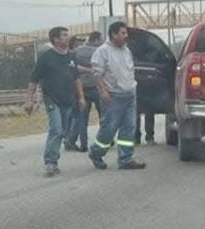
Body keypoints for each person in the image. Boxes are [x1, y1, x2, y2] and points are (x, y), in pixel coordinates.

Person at [24, 26, 86, 177]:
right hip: (51, 98)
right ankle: (50, 162)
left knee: (63, 132)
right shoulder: (46, 58)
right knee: (56, 129)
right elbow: (33, 80)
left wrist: (81, 97)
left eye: (67, 35)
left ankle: (54, 160)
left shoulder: (71, 57)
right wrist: (29, 100)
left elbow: (76, 79)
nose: (67, 37)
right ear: (56, 39)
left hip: (68, 99)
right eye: (64, 35)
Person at [88, 21, 146, 170]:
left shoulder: (127, 51)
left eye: (126, 33)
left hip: (130, 94)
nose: (126, 36)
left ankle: (125, 159)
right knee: (109, 129)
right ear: (114, 34)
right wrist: (103, 91)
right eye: (123, 33)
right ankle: (96, 152)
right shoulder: (102, 51)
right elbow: (97, 73)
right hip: (113, 96)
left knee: (129, 128)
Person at [65, 31, 103, 152]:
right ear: (96, 40)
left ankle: (83, 143)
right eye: (101, 39)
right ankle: (104, 140)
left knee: (82, 118)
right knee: (103, 115)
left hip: (81, 88)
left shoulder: (77, 51)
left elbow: (72, 67)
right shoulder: (99, 52)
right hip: (96, 87)